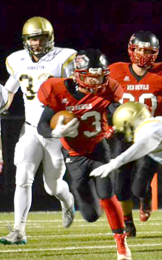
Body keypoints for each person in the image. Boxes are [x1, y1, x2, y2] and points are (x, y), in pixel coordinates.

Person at [37, 49, 132, 260]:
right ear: (79, 72)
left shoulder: (109, 90)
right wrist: (55, 132)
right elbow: (41, 125)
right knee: (90, 216)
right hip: (74, 156)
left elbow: (118, 113)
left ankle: (122, 245)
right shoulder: (58, 90)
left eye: (101, 74)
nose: (98, 79)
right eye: (92, 74)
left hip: (99, 150)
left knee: (107, 195)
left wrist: (123, 121)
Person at [0, 16, 76, 245]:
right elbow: (10, 91)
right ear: (26, 40)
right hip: (30, 129)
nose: (36, 43)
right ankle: (18, 231)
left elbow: (76, 91)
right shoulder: (17, 60)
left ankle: (67, 201)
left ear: (50, 38)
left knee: (52, 186)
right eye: (32, 39)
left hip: (54, 130)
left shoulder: (64, 58)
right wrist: (3, 101)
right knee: (22, 177)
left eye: (41, 38)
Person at [107, 30, 162, 237]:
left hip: (151, 136)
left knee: (139, 186)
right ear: (131, 49)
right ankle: (128, 222)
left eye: (149, 51)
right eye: (139, 49)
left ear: (156, 53)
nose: (143, 54)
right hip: (125, 135)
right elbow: (106, 101)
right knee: (120, 184)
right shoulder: (115, 71)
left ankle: (144, 194)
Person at [90, 101, 162, 177]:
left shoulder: (147, 129)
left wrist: (117, 162)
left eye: (124, 129)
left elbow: (146, 142)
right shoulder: (160, 120)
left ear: (129, 124)